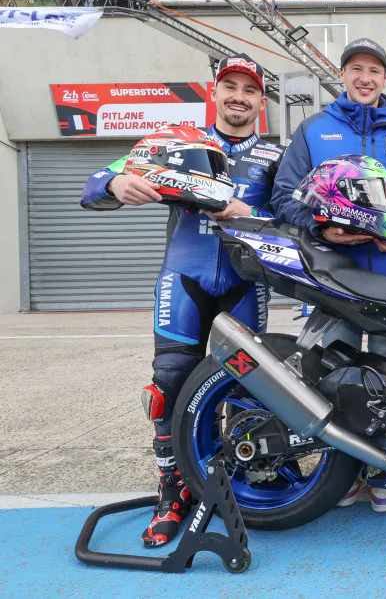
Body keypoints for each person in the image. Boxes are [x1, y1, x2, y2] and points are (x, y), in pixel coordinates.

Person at [81, 54, 280, 547]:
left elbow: (293, 219)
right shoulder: (177, 143)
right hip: (184, 277)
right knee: (169, 383)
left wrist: (250, 213)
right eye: (230, 86)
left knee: (251, 386)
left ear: (262, 100)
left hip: (245, 282)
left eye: (249, 89)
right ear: (214, 93)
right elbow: (93, 185)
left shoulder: (276, 156)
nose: (238, 97)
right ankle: (174, 491)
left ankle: (249, 474)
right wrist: (116, 182)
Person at [272, 37, 386, 514]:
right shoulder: (313, 129)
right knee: (332, 377)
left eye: (374, 70)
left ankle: (380, 469)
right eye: (356, 69)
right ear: (342, 75)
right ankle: (341, 472)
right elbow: (283, 198)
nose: (365, 78)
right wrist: (320, 228)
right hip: (331, 275)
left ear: (385, 79)